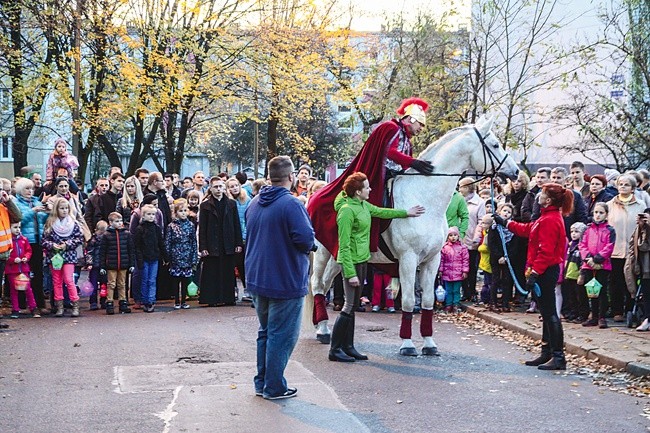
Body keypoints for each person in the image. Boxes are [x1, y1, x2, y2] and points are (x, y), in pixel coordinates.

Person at [308, 98, 433, 262]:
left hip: (394, 178)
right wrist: (413, 162)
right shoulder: (391, 128)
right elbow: (390, 152)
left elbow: (402, 162)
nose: (421, 129)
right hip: (379, 176)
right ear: (411, 119)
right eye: (420, 125)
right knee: (373, 202)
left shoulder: (406, 140)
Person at [330, 172, 425, 362]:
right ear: (358, 192)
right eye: (366, 187)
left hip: (362, 259)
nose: (370, 189)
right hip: (351, 262)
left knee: (354, 306)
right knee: (347, 306)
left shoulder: (363, 205)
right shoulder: (347, 211)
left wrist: (406, 212)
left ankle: (349, 346)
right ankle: (335, 349)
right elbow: (344, 244)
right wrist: (350, 273)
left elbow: (382, 212)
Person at [245, 156, 315, 400]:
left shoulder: (255, 202)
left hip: (257, 276)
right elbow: (306, 239)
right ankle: (274, 386)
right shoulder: (291, 204)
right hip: (284, 278)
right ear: (291, 176)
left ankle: (263, 382)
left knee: (266, 332)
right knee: (281, 335)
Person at [494, 183, 573, 371]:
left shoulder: (551, 219)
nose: (538, 196)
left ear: (548, 199)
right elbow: (528, 230)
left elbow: (545, 251)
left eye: (542, 194)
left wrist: (535, 273)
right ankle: (547, 353)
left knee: (550, 313)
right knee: (546, 313)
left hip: (545, 270)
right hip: (543, 270)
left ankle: (558, 356)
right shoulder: (547, 217)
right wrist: (506, 223)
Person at [606, 174, 646, 322]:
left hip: (633, 249)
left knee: (631, 280)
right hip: (615, 249)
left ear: (633, 188)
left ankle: (631, 308)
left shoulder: (640, 205)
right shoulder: (610, 204)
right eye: (620, 184)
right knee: (616, 281)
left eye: (626, 185)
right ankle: (617, 310)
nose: (622, 187)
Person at [198, 177, 243, 307]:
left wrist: (238, 243)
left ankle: (228, 297)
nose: (218, 189)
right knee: (212, 271)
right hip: (212, 242)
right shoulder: (205, 206)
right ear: (210, 189)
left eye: (220, 187)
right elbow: (202, 228)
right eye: (215, 187)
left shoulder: (231, 204)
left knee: (227, 271)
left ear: (224, 188)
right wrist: (203, 246)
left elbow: (236, 224)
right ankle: (212, 298)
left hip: (227, 242)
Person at [41, 197, 84, 317]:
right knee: (57, 281)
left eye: (66, 208)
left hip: (69, 255)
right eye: (62, 208)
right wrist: (52, 245)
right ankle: (59, 306)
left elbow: (79, 238)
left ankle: (75, 304)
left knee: (69, 280)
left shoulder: (73, 223)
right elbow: (44, 240)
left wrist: (67, 244)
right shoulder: (50, 223)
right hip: (55, 257)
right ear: (57, 209)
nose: (64, 211)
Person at [14, 178, 49, 314]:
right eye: (27, 189)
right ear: (20, 191)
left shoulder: (36, 201)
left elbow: (42, 220)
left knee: (38, 273)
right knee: (23, 273)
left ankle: (40, 304)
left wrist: (47, 212)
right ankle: (22, 305)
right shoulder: (16, 203)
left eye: (31, 188)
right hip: (24, 243)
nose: (30, 191)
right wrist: (33, 211)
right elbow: (19, 219)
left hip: (37, 241)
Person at [579, 202, 616, 328]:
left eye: (601, 213)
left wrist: (598, 259)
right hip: (588, 265)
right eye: (596, 212)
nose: (598, 215)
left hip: (602, 265)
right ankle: (593, 316)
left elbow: (609, 247)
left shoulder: (610, 230)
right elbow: (582, 245)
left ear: (606, 215)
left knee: (601, 291)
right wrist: (588, 258)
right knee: (591, 291)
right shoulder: (587, 229)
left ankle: (601, 316)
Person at [99, 212, 136, 315]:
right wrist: (102, 266)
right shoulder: (106, 235)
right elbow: (102, 252)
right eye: (116, 221)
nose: (119, 223)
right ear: (110, 222)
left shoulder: (126, 234)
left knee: (122, 284)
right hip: (111, 264)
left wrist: (131, 264)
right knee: (111, 284)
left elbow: (131, 250)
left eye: (120, 221)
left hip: (123, 264)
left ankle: (123, 302)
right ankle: (109, 302)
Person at [165, 199, 198, 309]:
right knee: (176, 280)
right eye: (181, 211)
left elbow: (194, 242)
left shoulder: (191, 225)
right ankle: (176, 301)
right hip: (176, 256)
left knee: (185, 280)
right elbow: (168, 242)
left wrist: (194, 258)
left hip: (187, 255)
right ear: (176, 213)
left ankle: (183, 300)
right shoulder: (171, 226)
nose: (183, 213)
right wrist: (168, 257)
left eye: (185, 210)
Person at [134, 204, 166, 313]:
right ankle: (144, 300)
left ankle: (151, 300)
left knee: (152, 280)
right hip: (144, 258)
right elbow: (137, 246)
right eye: (149, 214)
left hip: (154, 257)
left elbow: (161, 243)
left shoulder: (156, 228)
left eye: (153, 214)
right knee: (144, 280)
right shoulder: (140, 229)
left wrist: (165, 256)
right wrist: (139, 259)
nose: (151, 216)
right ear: (143, 215)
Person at [459, 177, 486, 301]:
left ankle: (472, 291)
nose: (460, 189)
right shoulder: (459, 200)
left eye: (462, 187)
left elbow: (481, 221)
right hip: (459, 239)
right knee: (460, 267)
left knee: (471, 268)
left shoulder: (479, 203)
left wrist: (477, 237)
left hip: (471, 240)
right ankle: (465, 292)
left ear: (468, 187)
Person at [226, 177, 251, 300]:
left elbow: (248, 220)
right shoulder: (227, 202)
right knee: (231, 265)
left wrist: (245, 235)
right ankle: (232, 289)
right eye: (231, 186)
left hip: (244, 237)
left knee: (243, 265)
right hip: (231, 237)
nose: (234, 188)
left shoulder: (247, 200)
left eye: (236, 185)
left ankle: (247, 290)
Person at [7, 222, 38, 318]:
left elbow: (29, 250)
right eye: (15, 227)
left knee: (28, 289)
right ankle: (15, 309)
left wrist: (26, 257)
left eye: (19, 227)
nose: (18, 229)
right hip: (12, 269)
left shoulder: (24, 239)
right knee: (14, 290)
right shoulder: (8, 241)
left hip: (23, 268)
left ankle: (33, 308)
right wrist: (12, 260)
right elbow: (5, 255)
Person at [625, 208, 650, 331]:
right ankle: (647, 318)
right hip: (644, 267)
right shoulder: (639, 230)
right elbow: (635, 246)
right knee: (646, 293)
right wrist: (641, 227)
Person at [488, 202, 515, 312]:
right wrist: (499, 256)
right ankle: (493, 302)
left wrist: (507, 256)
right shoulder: (494, 227)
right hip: (496, 258)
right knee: (495, 279)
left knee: (506, 280)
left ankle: (505, 302)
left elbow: (514, 245)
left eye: (509, 212)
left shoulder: (512, 228)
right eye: (504, 211)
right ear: (499, 211)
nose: (506, 213)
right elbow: (491, 243)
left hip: (508, 258)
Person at [562, 222, 589, 324]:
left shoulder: (582, 246)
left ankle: (583, 314)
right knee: (571, 296)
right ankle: (574, 312)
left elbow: (583, 261)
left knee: (580, 296)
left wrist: (582, 274)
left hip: (577, 274)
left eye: (577, 232)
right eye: (572, 232)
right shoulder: (570, 245)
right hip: (569, 273)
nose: (573, 234)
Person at [439, 226, 469, 313]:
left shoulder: (462, 248)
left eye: (455, 235)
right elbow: (442, 260)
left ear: (458, 236)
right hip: (447, 273)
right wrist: (441, 270)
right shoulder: (444, 248)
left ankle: (456, 303)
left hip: (458, 273)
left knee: (456, 290)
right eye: (450, 235)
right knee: (448, 290)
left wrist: (465, 271)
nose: (453, 237)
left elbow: (465, 260)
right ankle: (448, 305)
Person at [85, 220, 108, 311]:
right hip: (96, 265)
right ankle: (94, 302)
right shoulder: (93, 240)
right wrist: (90, 263)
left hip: (102, 265)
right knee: (95, 284)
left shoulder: (104, 239)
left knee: (103, 284)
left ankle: (102, 301)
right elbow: (89, 252)